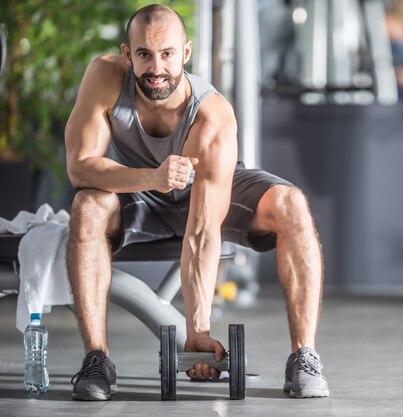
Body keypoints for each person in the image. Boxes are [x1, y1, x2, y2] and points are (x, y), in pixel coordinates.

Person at [65, 4, 329, 400]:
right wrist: (153, 177)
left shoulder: (211, 118)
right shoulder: (104, 77)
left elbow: (203, 231)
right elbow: (80, 168)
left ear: (186, 53)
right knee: (87, 207)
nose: (157, 68)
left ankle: (304, 356)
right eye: (144, 55)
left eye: (168, 54)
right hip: (141, 189)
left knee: (291, 204)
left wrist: (198, 332)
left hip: (211, 187)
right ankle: (97, 359)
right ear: (126, 54)